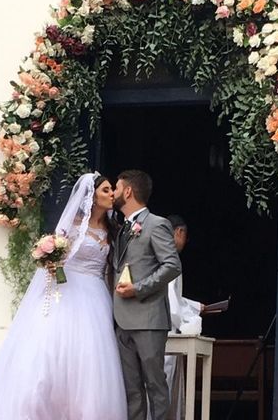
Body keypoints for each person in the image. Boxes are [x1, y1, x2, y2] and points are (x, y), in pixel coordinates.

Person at [0, 173, 127, 420]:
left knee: (91, 360)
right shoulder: (74, 226)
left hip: (96, 295)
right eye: (106, 190)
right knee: (52, 352)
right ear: (92, 197)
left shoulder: (113, 229)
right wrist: (51, 260)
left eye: (111, 190)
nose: (112, 195)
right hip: (69, 291)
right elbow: (58, 256)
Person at [112, 170, 182, 420]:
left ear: (128, 191)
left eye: (117, 188)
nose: (114, 194)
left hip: (149, 319)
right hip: (122, 319)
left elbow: (172, 265)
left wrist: (138, 288)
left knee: (155, 385)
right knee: (132, 390)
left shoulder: (156, 224)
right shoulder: (121, 229)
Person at [163, 215, 204, 420]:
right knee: (164, 386)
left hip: (167, 327)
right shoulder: (169, 257)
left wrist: (196, 307)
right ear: (179, 232)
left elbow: (175, 296)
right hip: (167, 331)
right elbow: (171, 301)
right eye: (184, 235)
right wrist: (186, 323)